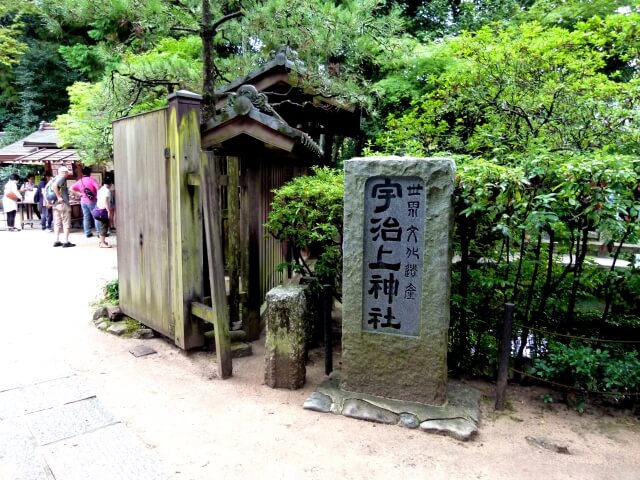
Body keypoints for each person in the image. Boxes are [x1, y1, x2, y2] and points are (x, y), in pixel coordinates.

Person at [69, 166, 99, 237]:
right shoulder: (92, 180)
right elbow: (97, 188)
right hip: (92, 201)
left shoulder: (80, 181)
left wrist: (79, 194)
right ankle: (98, 232)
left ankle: (87, 232)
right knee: (96, 216)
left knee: (86, 217)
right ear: (90, 173)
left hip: (83, 201)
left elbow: (71, 188)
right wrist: (97, 195)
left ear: (82, 173)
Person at [51, 166, 75, 248]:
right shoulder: (61, 179)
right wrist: (59, 197)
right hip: (63, 204)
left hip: (55, 204)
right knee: (66, 223)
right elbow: (54, 186)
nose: (67, 174)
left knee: (57, 223)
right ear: (63, 172)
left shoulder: (53, 178)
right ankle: (66, 241)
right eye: (66, 172)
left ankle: (56, 240)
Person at [94, 176, 113, 248]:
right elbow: (106, 201)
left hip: (98, 209)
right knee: (104, 227)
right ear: (111, 183)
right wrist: (108, 211)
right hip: (103, 210)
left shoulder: (101, 189)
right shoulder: (107, 191)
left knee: (103, 225)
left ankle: (102, 241)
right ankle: (102, 243)